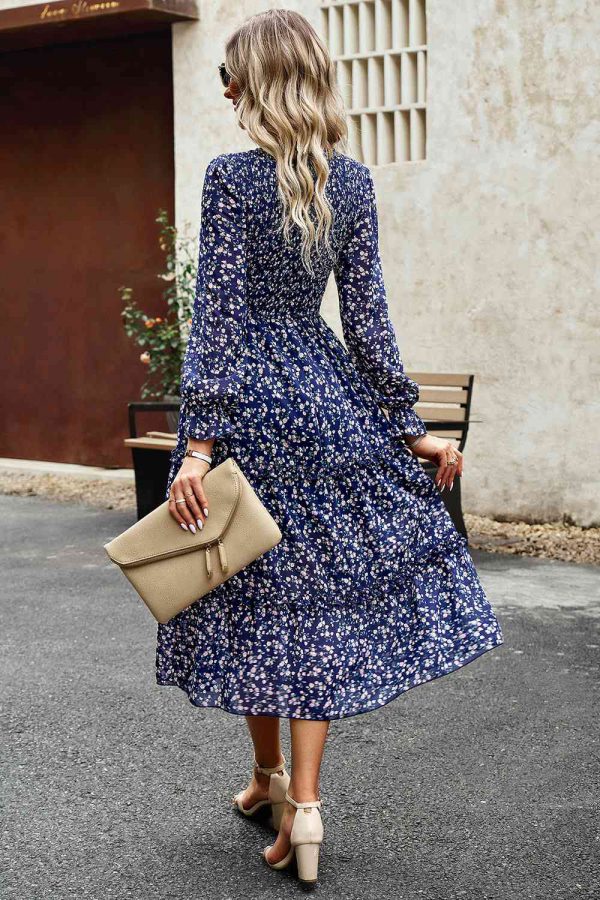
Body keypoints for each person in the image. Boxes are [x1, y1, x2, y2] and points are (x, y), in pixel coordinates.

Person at [157, 8, 503, 884]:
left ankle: (273, 777)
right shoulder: (351, 183)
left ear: (256, 83)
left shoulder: (230, 180)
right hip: (324, 400)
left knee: (249, 590)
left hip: (249, 414)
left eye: (229, 75)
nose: (224, 89)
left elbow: (217, 320)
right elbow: (369, 320)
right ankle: (294, 801)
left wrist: (197, 445)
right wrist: (408, 427)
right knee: (310, 603)